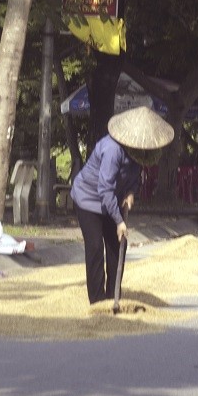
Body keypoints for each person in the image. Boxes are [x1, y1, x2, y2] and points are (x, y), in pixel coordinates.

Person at [70, 106, 174, 304]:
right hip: (88, 199)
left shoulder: (138, 154)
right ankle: (98, 301)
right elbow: (105, 189)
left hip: (111, 200)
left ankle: (113, 295)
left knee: (118, 246)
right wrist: (119, 221)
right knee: (94, 247)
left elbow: (134, 178)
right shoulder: (112, 150)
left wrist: (131, 192)